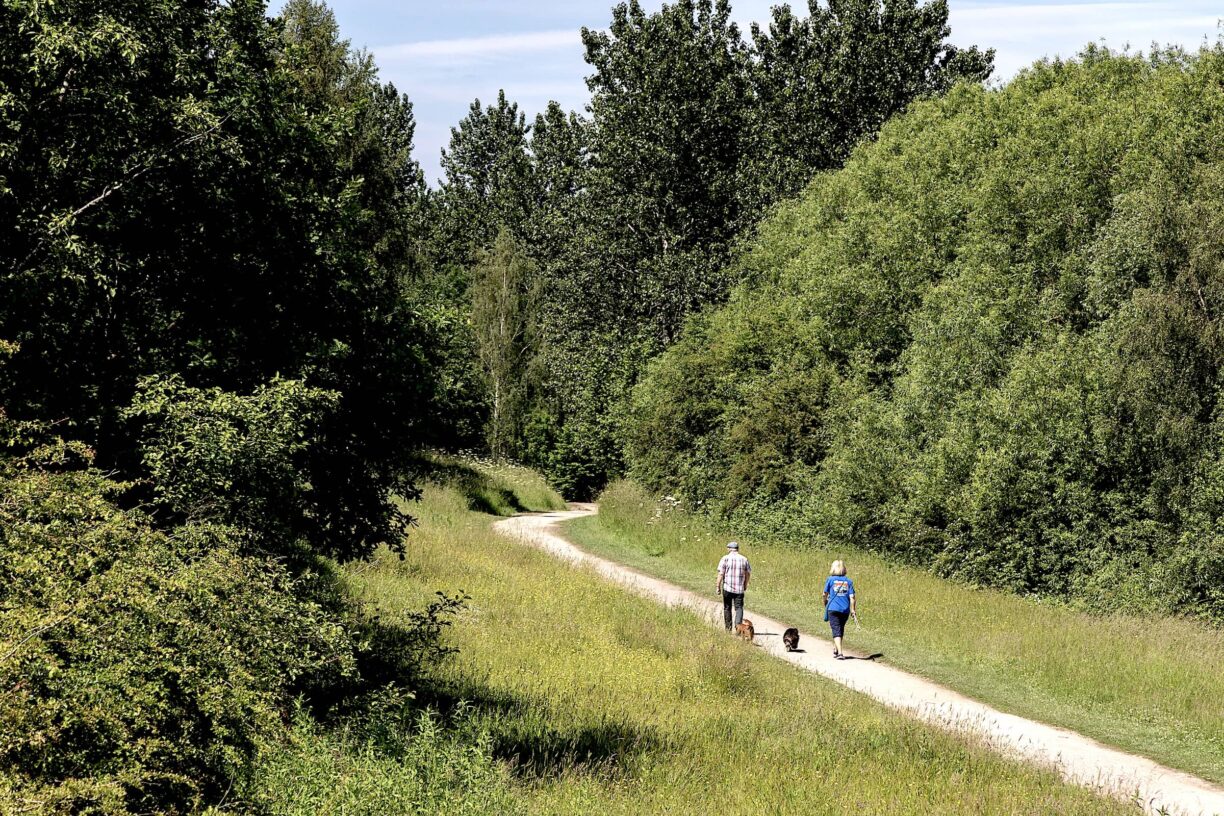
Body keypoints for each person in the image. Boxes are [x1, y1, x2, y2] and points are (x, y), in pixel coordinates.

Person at [823, 560, 856, 659]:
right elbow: (852, 597)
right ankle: (836, 648)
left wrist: (825, 603)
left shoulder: (830, 580)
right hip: (845, 609)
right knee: (840, 628)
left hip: (833, 608)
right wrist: (853, 609)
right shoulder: (848, 581)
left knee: (836, 629)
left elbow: (824, 594)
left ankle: (840, 653)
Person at [716, 540, 751, 632]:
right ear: (737, 549)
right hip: (739, 589)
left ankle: (728, 628)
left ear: (729, 549)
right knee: (739, 608)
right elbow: (748, 573)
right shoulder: (744, 559)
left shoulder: (725, 558)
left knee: (727, 607)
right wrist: (745, 584)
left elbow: (721, 574)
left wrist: (718, 586)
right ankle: (738, 627)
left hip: (727, 588)